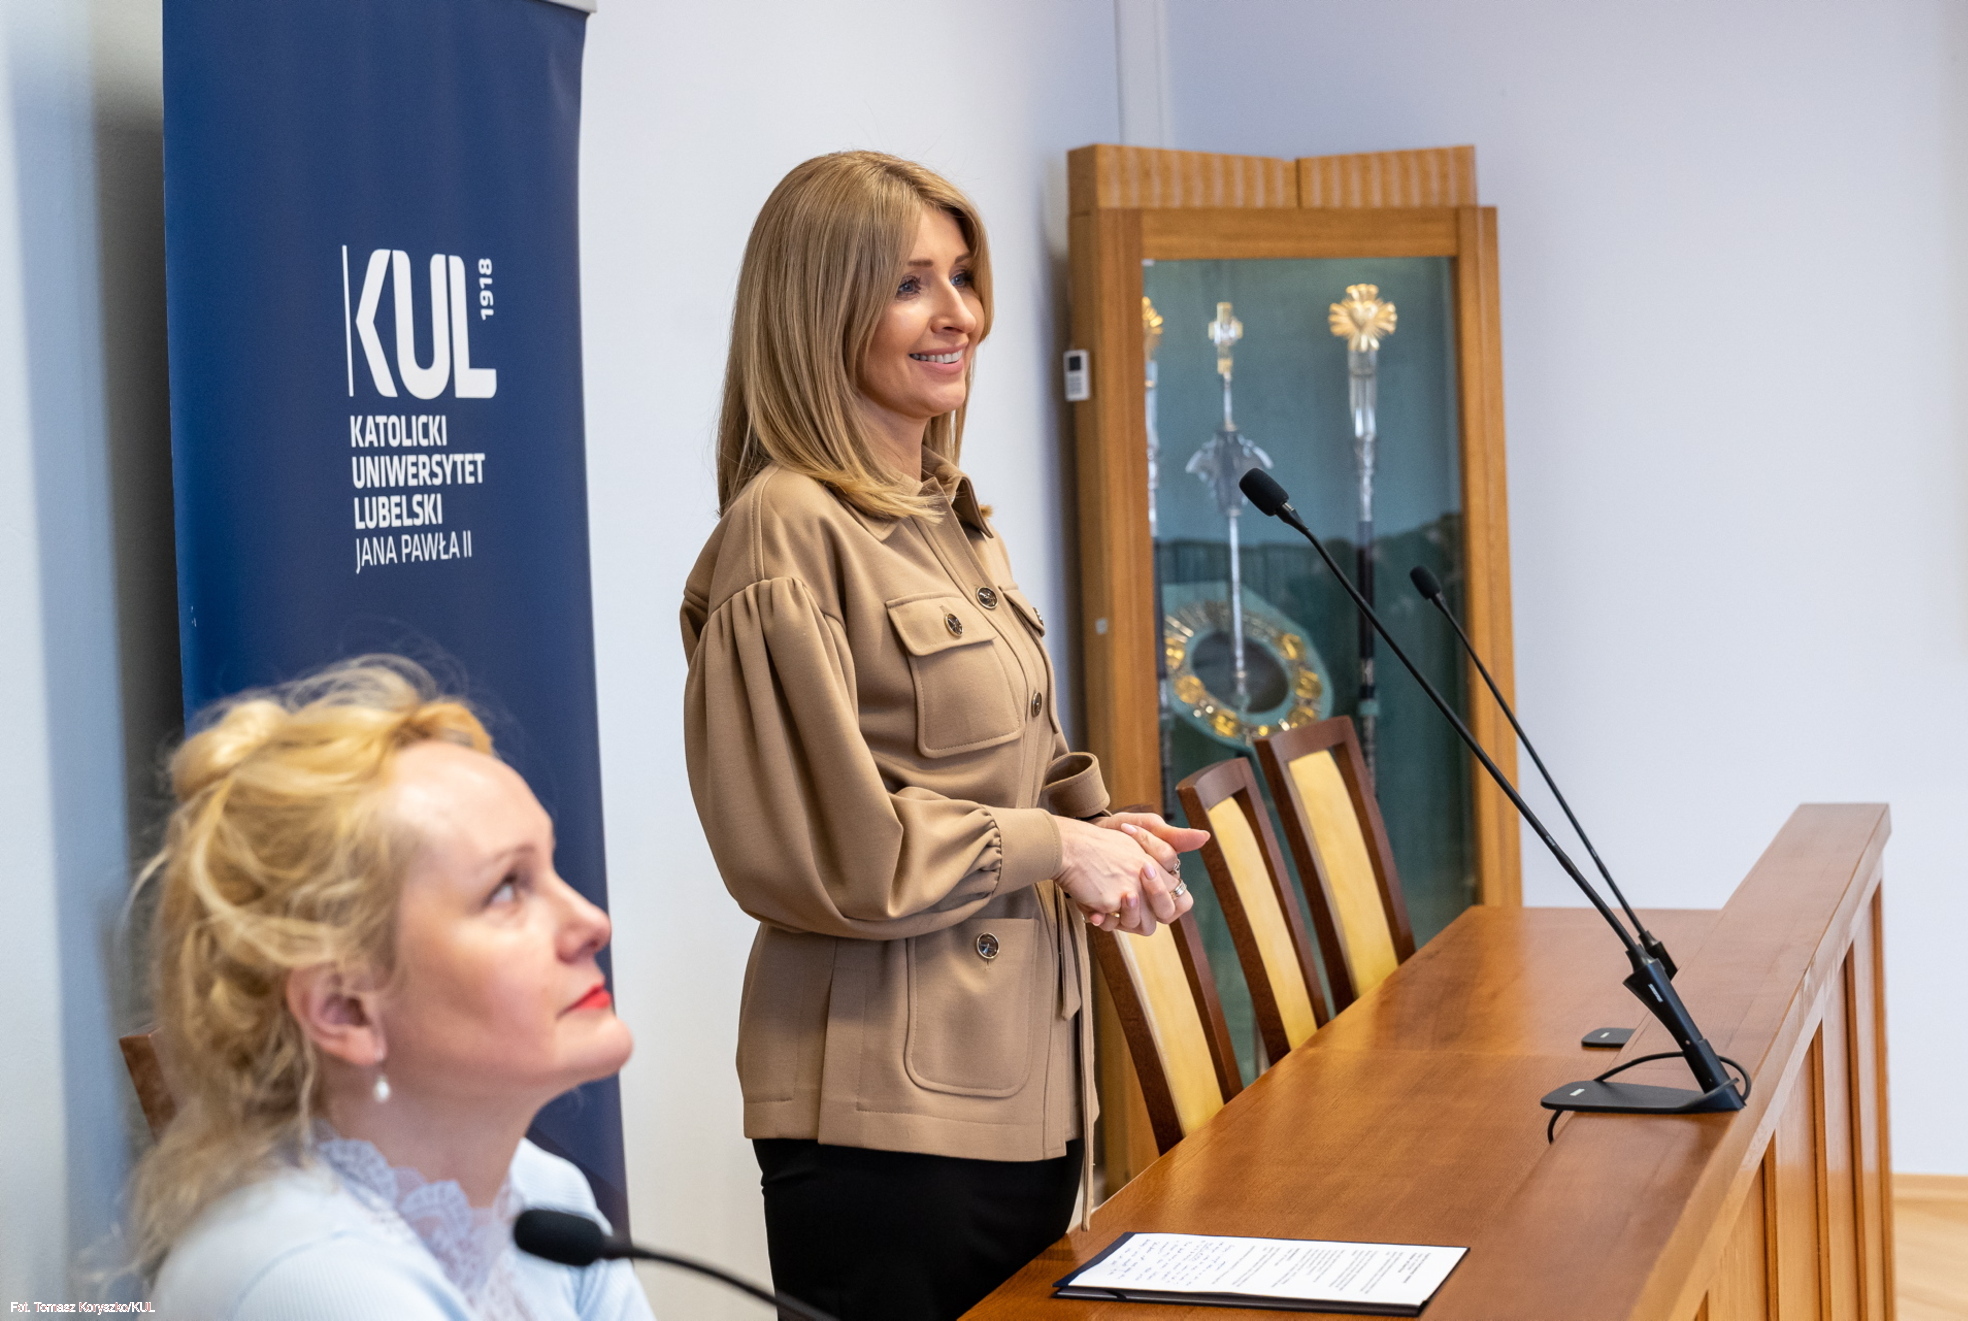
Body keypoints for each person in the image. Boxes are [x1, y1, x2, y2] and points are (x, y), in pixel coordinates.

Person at [681, 150, 1210, 1320]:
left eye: (963, 275)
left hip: (1023, 1083)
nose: (959, 312)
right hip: (886, 1120)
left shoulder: (951, 518)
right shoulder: (784, 529)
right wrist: (1057, 848)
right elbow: (835, 852)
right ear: (819, 309)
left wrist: (1101, 830)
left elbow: (1003, 760)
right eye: (910, 283)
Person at [133, 659, 651, 1321]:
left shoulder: (543, 1197)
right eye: (505, 889)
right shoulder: (306, 1275)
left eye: (550, 867)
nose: (592, 922)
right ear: (345, 1009)